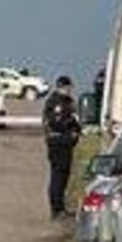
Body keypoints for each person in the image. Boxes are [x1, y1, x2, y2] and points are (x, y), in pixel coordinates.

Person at [44, 75, 84, 218]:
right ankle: (56, 209)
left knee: (64, 175)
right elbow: (56, 122)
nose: (69, 90)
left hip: (66, 143)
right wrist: (71, 124)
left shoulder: (67, 101)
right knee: (58, 177)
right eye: (67, 88)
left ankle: (61, 207)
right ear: (62, 87)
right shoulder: (56, 102)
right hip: (58, 143)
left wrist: (76, 130)